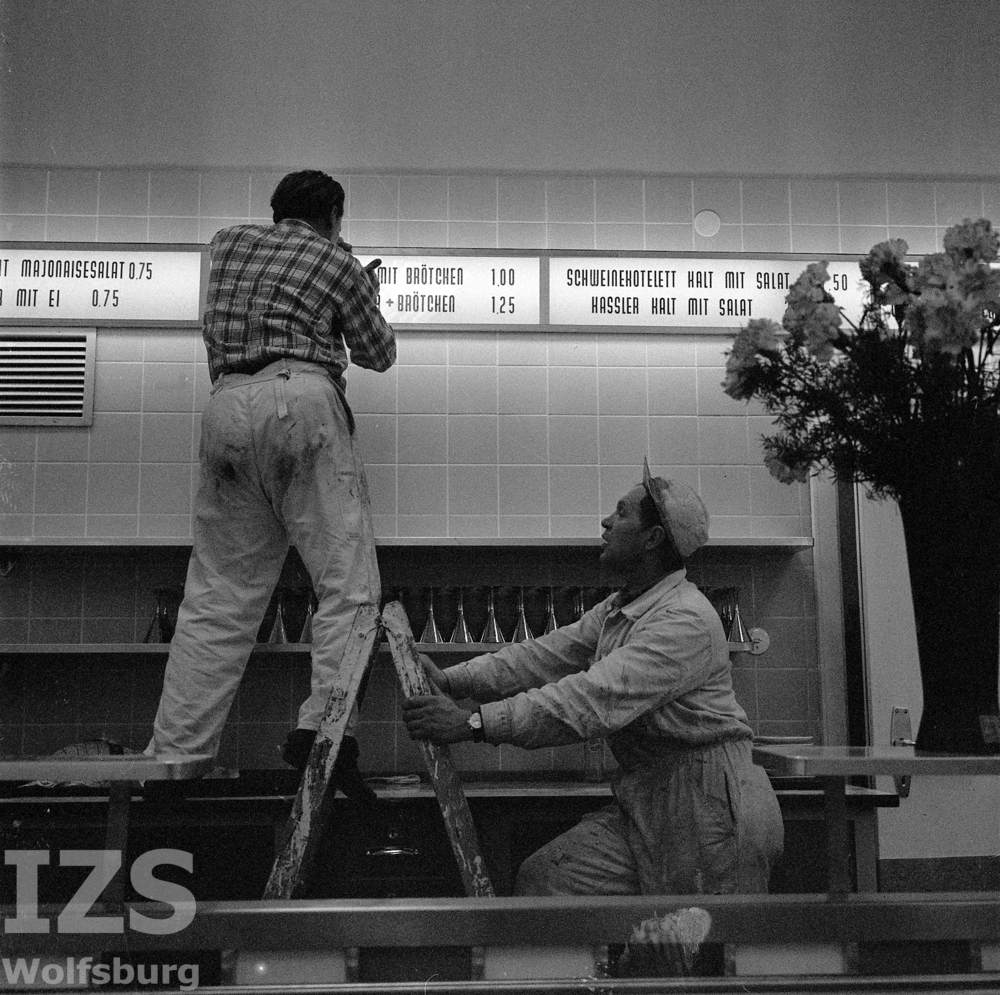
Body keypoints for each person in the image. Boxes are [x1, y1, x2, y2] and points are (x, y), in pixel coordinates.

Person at [403, 459, 783, 895]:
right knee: (547, 879)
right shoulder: (623, 607)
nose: (605, 521)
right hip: (651, 795)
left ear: (652, 538)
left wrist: (473, 724)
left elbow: (588, 700)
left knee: (688, 950)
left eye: (621, 513)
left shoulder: (684, 620)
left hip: (711, 806)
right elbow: (543, 655)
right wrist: (452, 680)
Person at [147, 170, 395, 804]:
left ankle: (174, 759)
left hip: (226, 406)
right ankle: (324, 733)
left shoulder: (227, 243)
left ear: (276, 210)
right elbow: (378, 352)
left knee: (216, 597)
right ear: (335, 215)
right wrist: (362, 285)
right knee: (348, 586)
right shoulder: (334, 256)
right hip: (303, 400)